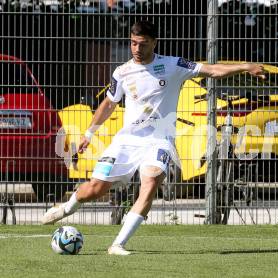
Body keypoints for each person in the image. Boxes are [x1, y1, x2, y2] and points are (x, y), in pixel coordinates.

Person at [42, 19, 266, 255]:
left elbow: (211, 70)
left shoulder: (173, 65)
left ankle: (117, 244)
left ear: (154, 43)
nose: (137, 49)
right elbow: (109, 103)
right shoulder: (122, 72)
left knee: (149, 184)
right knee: (95, 189)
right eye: (134, 43)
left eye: (143, 44)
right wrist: (89, 133)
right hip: (126, 142)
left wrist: (244, 66)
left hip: (159, 141)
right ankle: (66, 208)